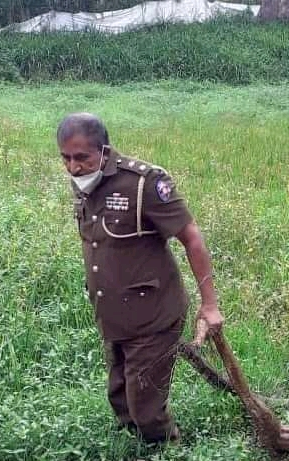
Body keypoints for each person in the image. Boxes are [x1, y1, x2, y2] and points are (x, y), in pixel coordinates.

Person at [57, 112, 223, 443]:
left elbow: (191, 237)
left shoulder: (145, 183)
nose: (73, 168)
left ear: (104, 151)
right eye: (66, 158)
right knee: (120, 399)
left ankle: (173, 460)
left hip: (153, 318)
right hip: (115, 318)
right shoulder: (85, 186)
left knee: (146, 411)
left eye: (82, 158)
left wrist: (210, 304)